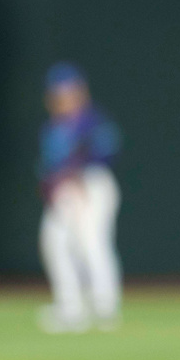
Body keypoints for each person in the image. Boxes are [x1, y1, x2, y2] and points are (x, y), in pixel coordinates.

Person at [37, 62, 123, 333]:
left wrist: (79, 172)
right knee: (55, 242)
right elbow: (49, 166)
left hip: (91, 185)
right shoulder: (53, 128)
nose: (64, 98)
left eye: (70, 91)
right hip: (64, 190)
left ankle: (105, 305)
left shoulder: (92, 121)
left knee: (91, 242)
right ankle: (71, 307)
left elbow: (107, 151)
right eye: (59, 93)